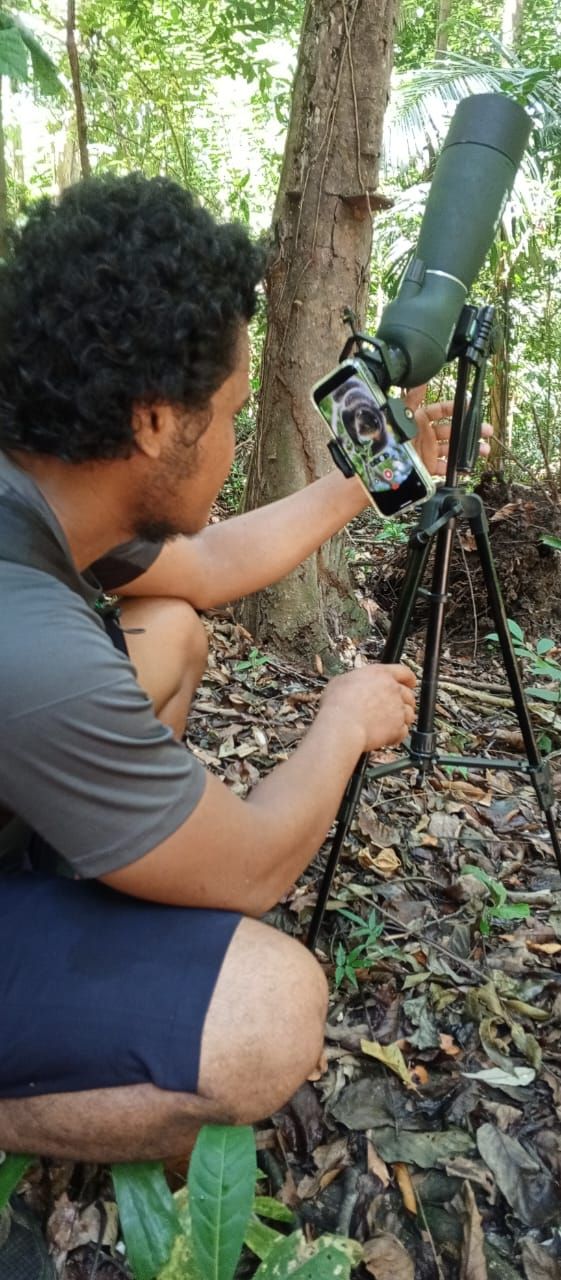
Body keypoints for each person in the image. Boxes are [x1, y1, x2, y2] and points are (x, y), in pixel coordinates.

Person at [0, 174, 490, 1163]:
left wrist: (360, 484)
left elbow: (213, 565)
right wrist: (344, 720)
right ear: (150, 420)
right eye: (228, 412)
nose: (235, 441)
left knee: (171, 624)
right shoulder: (31, 645)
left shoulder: (46, 484)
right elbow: (258, 864)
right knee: (274, 1008)